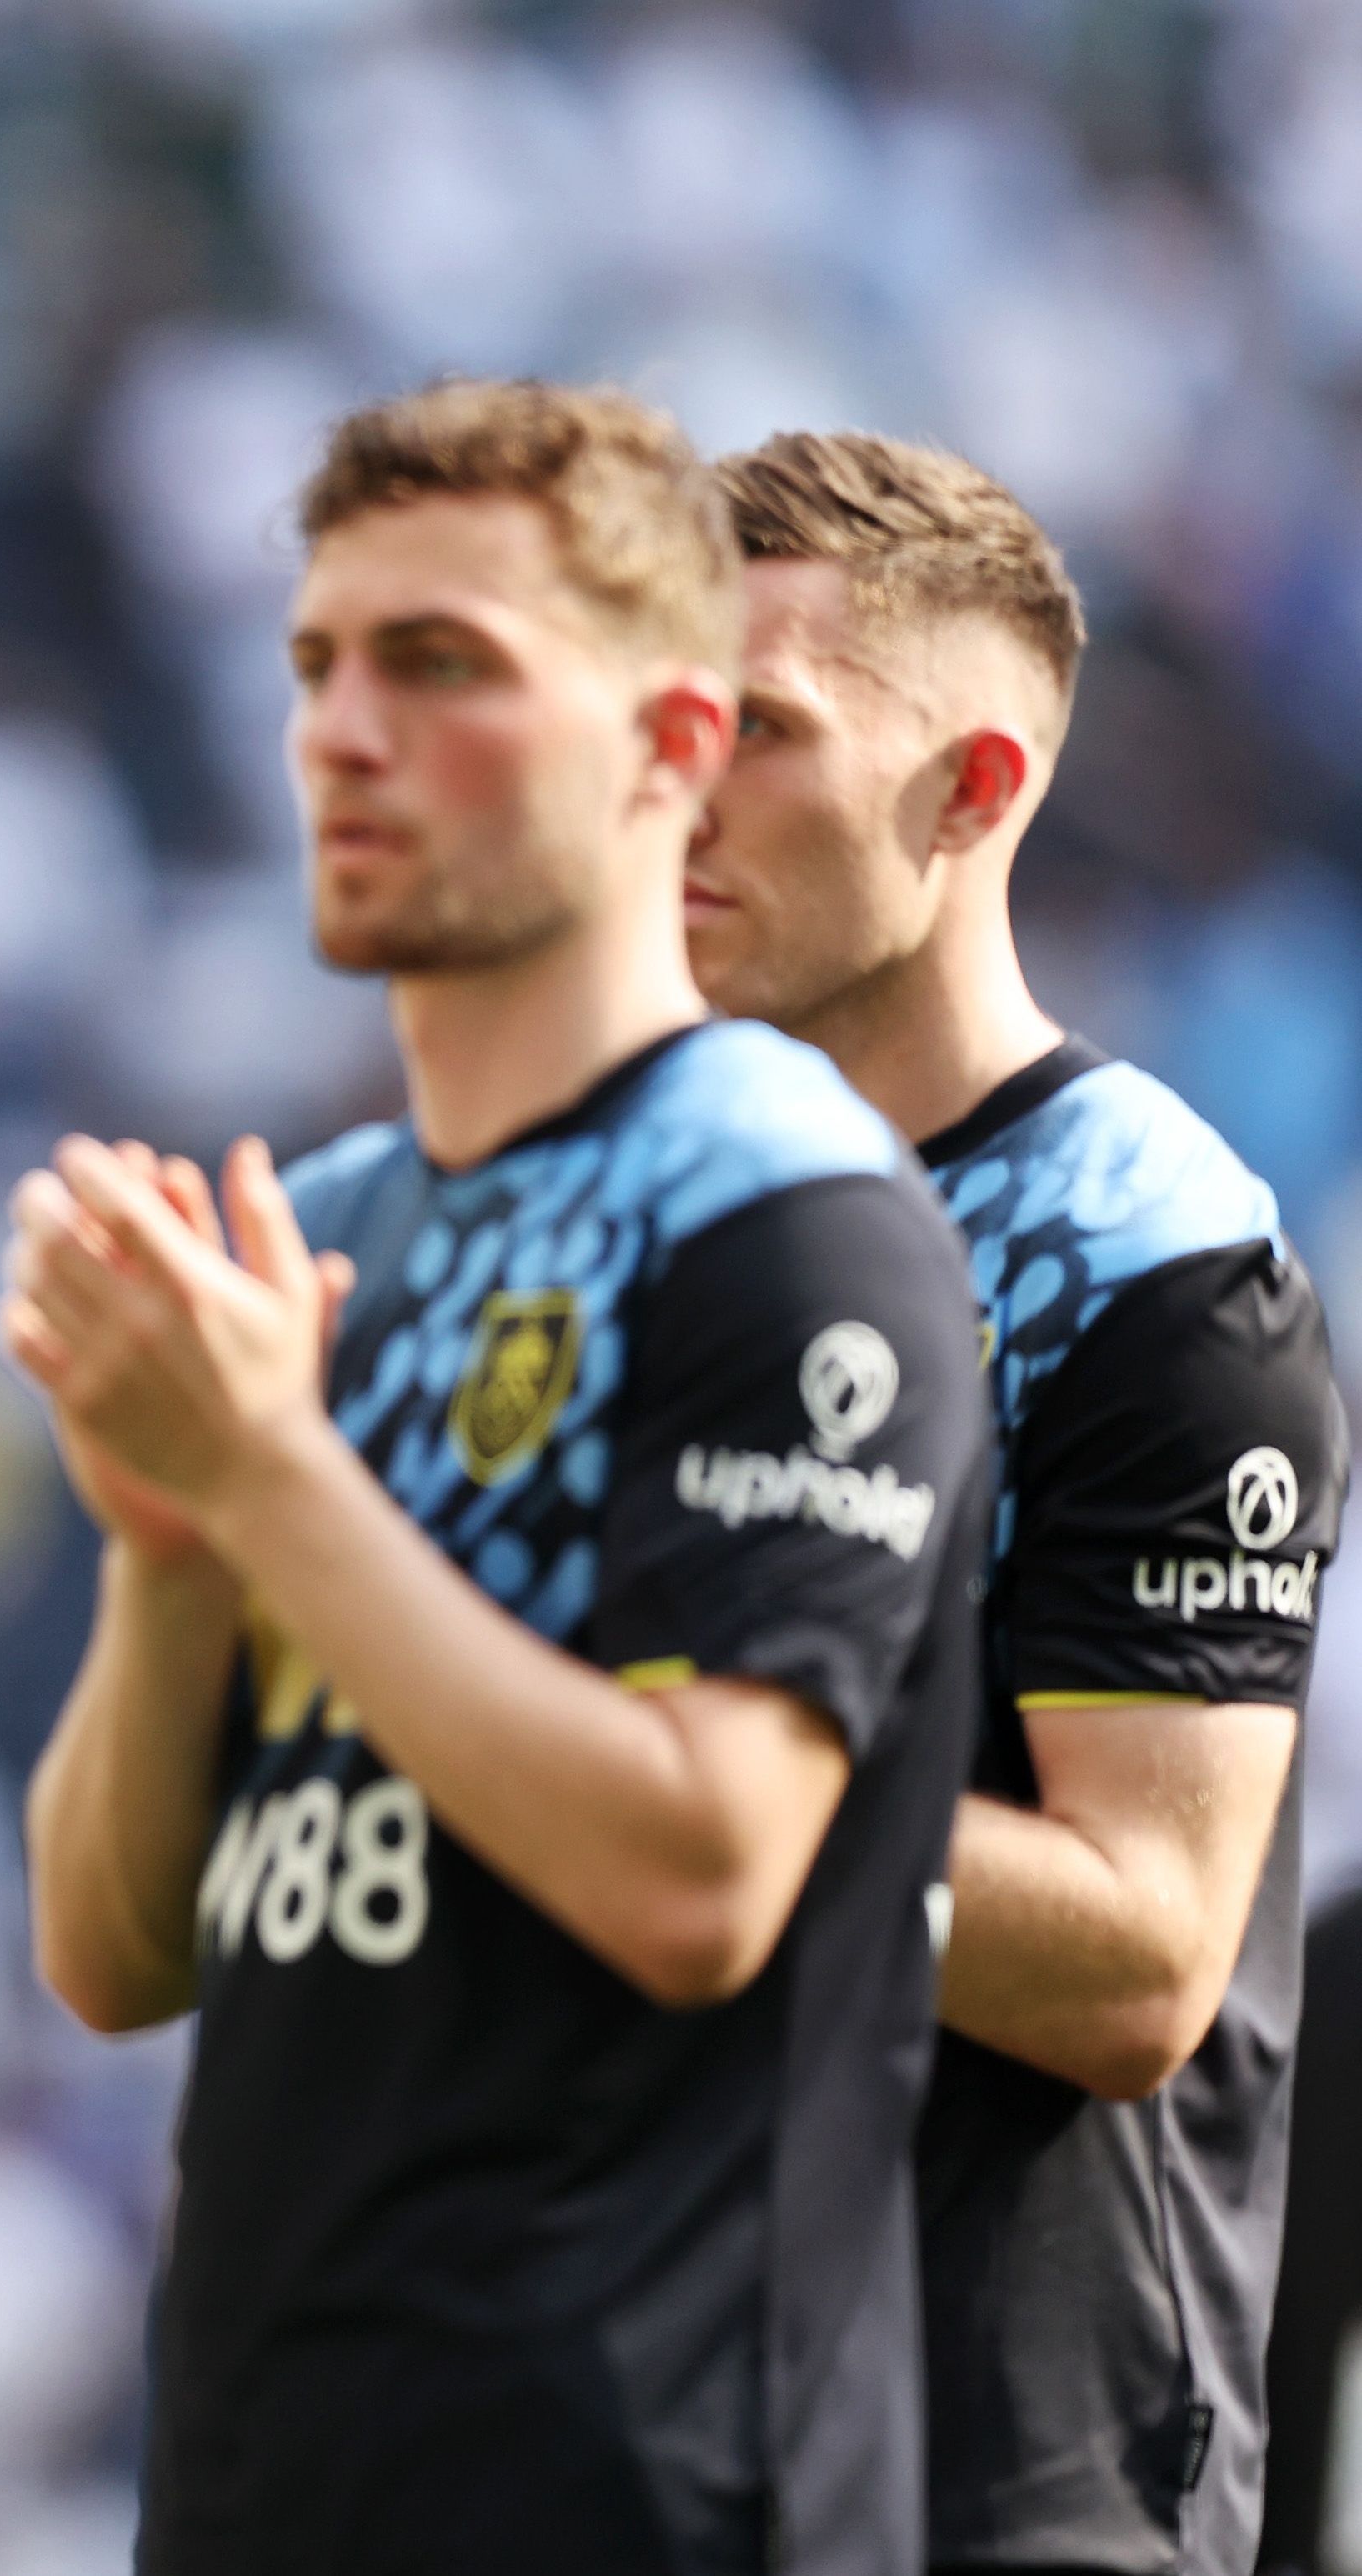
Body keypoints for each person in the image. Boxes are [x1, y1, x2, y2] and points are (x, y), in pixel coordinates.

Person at [5, 380, 990, 2575]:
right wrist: (164, 1542)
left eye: (442, 663)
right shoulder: (330, 1230)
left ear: (669, 747)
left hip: (640, 2492)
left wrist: (260, 1476)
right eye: (316, 667)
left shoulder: (787, 1215)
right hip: (267, 2479)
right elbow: (108, 1946)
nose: (343, 733)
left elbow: (698, 1874)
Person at [686, 428, 1349, 2576]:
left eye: (760, 727)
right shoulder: (630, 1226)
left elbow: (1144, 1959)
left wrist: (662, 1769)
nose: (676, 786)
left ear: (977, 794)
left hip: (1008, 2474)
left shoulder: (1153, 1257)